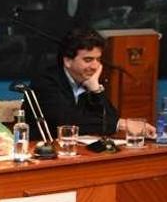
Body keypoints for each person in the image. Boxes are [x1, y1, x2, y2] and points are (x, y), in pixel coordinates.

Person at [29, 28, 157, 137]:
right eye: (88, 59)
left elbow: (111, 117)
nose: (95, 66)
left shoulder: (89, 80)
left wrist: (96, 89)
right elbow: (67, 122)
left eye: (98, 59)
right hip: (45, 154)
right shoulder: (45, 81)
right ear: (68, 61)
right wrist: (122, 124)